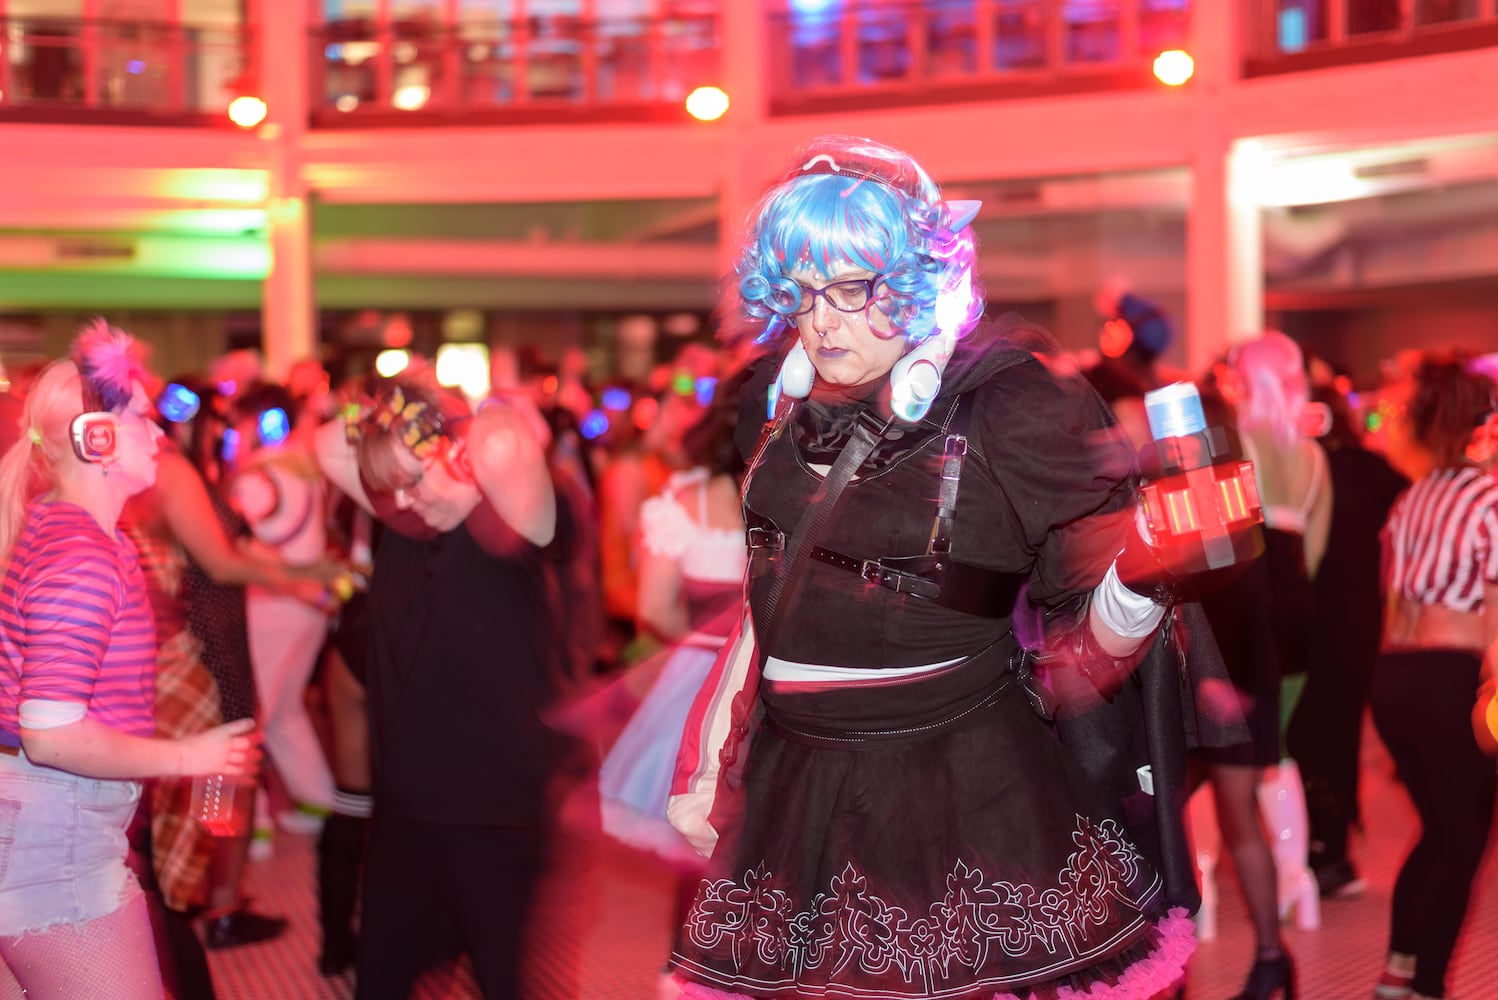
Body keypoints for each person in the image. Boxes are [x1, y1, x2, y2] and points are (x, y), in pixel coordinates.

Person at [664, 135, 1200, 999]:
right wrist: (705, 769)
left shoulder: (1010, 408)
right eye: (802, 295)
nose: (822, 321)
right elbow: (768, 609)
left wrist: (1142, 569)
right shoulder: (785, 419)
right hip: (797, 794)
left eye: (850, 290)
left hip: (960, 795)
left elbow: (1084, 640)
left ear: (916, 286)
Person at [0, 320, 261, 998]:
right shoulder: (81, 557)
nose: (162, 434)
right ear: (99, 439)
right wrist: (189, 757)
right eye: (144, 419)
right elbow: (49, 735)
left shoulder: (84, 536)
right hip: (53, 843)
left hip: (45, 828)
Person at [313, 366, 575, 1000]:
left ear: (457, 451)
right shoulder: (406, 521)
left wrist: (442, 421)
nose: (400, 500)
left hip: (495, 816)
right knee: (379, 983)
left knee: (500, 985)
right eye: (387, 486)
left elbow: (504, 437)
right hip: (405, 812)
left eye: (412, 479)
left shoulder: (511, 522)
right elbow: (325, 442)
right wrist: (394, 426)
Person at [1191, 331, 1332, 999]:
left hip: (1240, 634)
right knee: (1259, 780)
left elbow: (1217, 558)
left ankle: (1220, 939)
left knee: (1221, 795)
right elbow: (1315, 557)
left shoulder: (1228, 449)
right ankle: (1274, 943)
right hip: (1294, 632)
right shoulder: (1312, 458)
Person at [1370, 353, 1498, 1000]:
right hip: (1455, 683)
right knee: (1462, 839)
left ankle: (1399, 971)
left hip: (1394, 681)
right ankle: (1426, 986)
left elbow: (1394, 606)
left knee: (1439, 827)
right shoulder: (1490, 497)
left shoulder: (1411, 499)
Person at [600, 372, 747, 865]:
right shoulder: (796, 498)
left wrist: (702, 643)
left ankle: (694, 938)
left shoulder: (681, 504)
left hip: (699, 682)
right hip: (774, 687)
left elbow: (654, 608)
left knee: (695, 830)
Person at [1285, 380, 1406, 898]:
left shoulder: (1293, 465)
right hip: (1353, 626)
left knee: (1299, 736)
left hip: (1301, 622)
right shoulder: (1372, 470)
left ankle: (1307, 849)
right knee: (1337, 737)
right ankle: (1330, 851)